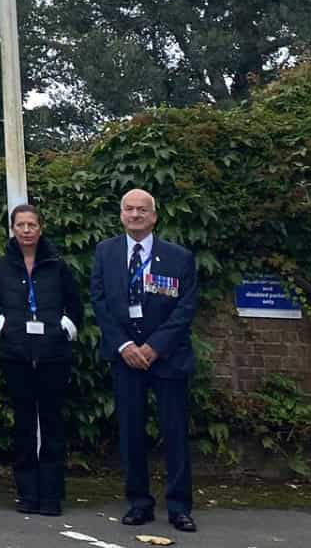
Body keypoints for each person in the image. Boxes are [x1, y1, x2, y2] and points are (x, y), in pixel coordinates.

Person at [89, 188, 199, 534]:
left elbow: (185, 309)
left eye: (142, 210)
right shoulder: (105, 252)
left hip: (168, 358)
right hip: (125, 358)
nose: (135, 215)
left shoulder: (179, 257)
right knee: (131, 432)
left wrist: (154, 347)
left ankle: (179, 507)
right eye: (129, 209)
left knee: (174, 432)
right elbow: (99, 301)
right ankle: (139, 503)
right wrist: (124, 346)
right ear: (121, 214)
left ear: (154, 216)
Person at [0, 202, 82, 517]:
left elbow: (76, 303)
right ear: (12, 229)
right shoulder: (0, 265)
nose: (26, 231)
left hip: (53, 354)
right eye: (20, 225)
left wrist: (66, 328)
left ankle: (51, 494)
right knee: (24, 425)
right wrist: (2, 326)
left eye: (31, 225)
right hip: (16, 354)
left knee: (53, 424)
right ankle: (27, 493)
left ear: (40, 228)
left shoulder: (57, 264)